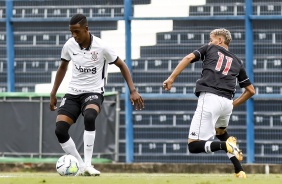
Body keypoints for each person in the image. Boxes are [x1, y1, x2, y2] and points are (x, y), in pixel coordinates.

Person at [49, 14, 144, 176]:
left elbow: (122, 65)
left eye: (77, 32)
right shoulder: (69, 45)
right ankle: (80, 165)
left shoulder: (102, 47)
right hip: (73, 93)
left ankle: (88, 163)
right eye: (71, 32)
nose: (74, 36)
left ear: (86, 29)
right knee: (60, 130)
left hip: (93, 92)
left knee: (90, 117)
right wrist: (53, 92)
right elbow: (62, 68)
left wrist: (133, 90)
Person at [163, 28, 255, 178]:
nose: (209, 42)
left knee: (193, 145)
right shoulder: (238, 61)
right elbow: (251, 90)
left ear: (220, 40)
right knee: (221, 132)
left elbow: (187, 58)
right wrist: (233, 104)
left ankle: (225, 146)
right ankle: (240, 171)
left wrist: (171, 78)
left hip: (210, 97)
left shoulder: (210, 48)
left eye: (211, 39)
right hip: (227, 103)